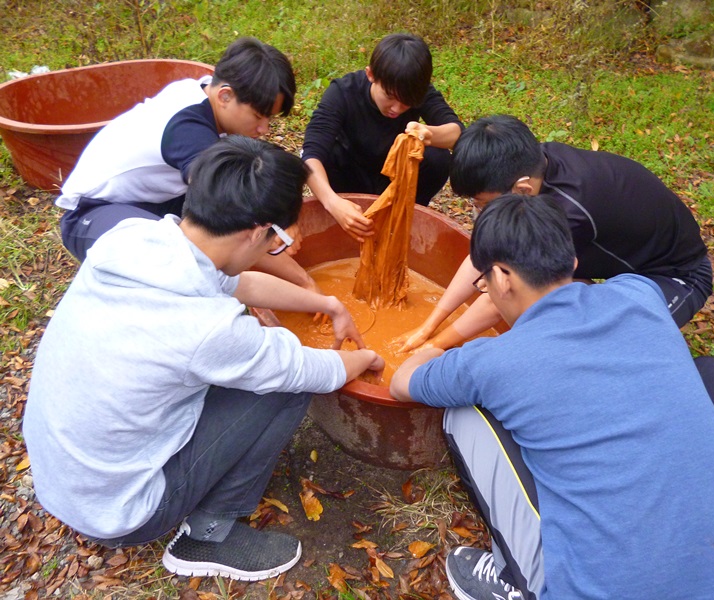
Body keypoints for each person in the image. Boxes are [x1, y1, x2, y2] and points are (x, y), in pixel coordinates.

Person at [23, 137, 385, 581]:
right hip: (120, 510)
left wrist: (331, 304)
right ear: (257, 232)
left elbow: (237, 283)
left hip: (69, 475)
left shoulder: (139, 238)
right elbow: (315, 369)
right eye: (277, 242)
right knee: (287, 389)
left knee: (260, 371)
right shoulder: (208, 329)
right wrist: (368, 357)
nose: (274, 252)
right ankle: (208, 534)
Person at [390, 194, 714, 600]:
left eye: (483, 282)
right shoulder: (640, 294)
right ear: (572, 261)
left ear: (502, 279)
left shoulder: (491, 363)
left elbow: (402, 381)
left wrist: (430, 346)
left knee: (462, 415)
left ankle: (517, 582)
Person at [397, 114, 712, 352]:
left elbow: (503, 296)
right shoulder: (532, 164)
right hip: (617, 262)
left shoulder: (568, 213)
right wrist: (429, 325)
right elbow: (484, 257)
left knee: (581, 343)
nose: (481, 214)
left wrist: (436, 346)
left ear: (521, 189)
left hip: (676, 277)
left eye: (482, 204)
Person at [56, 38, 316, 293]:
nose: (264, 129)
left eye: (269, 118)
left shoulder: (204, 92)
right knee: (183, 266)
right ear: (225, 95)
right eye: (258, 116)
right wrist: (285, 233)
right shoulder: (187, 128)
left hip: (152, 201)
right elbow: (235, 204)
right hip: (92, 213)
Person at [302, 32, 463, 242]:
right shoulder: (343, 92)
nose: (396, 108)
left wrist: (427, 133)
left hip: (393, 180)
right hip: (349, 178)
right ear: (371, 75)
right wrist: (332, 202)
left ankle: (405, 218)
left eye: (406, 102)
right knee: (328, 153)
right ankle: (343, 216)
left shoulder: (416, 90)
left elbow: (457, 131)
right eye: (389, 97)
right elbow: (310, 155)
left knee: (437, 158)